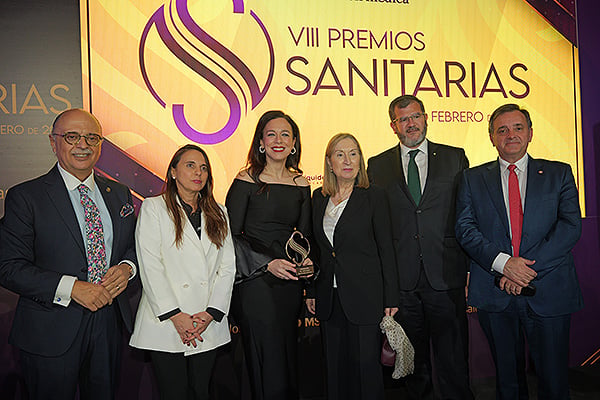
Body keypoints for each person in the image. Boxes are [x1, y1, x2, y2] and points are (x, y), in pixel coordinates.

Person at [0, 108, 137, 400]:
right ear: (53, 143)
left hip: (108, 323)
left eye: (91, 137)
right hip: (50, 327)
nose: (83, 145)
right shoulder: (26, 197)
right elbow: (8, 267)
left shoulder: (120, 193)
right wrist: (71, 287)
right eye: (72, 137)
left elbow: (133, 247)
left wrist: (127, 267)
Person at [455, 103, 583, 400]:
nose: (510, 134)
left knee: (554, 380)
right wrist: (503, 264)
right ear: (491, 137)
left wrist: (522, 271)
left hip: (548, 291)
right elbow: (465, 229)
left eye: (517, 128)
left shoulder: (559, 174)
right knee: (508, 383)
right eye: (502, 130)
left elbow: (569, 227)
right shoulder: (472, 179)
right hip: (495, 292)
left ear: (530, 134)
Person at [367, 95, 473, 400]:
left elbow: (467, 216)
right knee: (413, 361)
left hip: (446, 275)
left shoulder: (454, 157)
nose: (411, 123)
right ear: (393, 126)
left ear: (425, 117)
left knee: (453, 357)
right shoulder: (378, 164)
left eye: (416, 116)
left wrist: (467, 268)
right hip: (403, 279)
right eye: (404, 119)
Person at [129, 144, 235, 399]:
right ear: (173, 171)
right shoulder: (154, 208)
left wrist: (210, 314)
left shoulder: (219, 211)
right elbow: (150, 265)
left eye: (203, 168)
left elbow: (228, 266)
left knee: (201, 392)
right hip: (166, 321)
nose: (198, 172)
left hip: (205, 323)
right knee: (173, 393)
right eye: (190, 165)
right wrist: (176, 316)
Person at [225, 110, 312, 400]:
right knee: (264, 356)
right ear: (261, 141)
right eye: (271, 134)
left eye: (285, 134)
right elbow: (230, 236)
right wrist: (267, 264)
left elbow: (304, 237)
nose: (278, 140)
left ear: (294, 142)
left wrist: (307, 263)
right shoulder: (246, 179)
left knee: (287, 355)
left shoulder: (301, 184)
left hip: (289, 283)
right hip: (254, 282)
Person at [306, 133, 399, 400]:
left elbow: (386, 249)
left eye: (353, 153)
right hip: (329, 297)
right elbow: (316, 249)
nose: (347, 160)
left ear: (361, 159)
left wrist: (391, 296)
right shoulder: (318, 198)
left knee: (366, 371)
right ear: (329, 162)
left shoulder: (374, 196)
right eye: (340, 154)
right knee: (334, 370)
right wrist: (312, 290)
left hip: (365, 297)